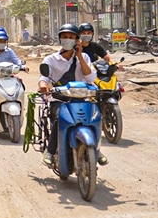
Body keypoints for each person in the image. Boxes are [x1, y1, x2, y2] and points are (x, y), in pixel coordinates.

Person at [37, 23, 107, 167]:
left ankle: (97, 150)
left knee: (95, 118)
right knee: (58, 119)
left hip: (82, 99)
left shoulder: (85, 57)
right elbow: (43, 79)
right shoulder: (51, 59)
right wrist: (44, 87)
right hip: (60, 99)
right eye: (65, 37)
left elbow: (91, 79)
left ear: (77, 40)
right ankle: (50, 151)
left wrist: (80, 56)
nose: (68, 39)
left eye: (71, 37)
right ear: (60, 39)